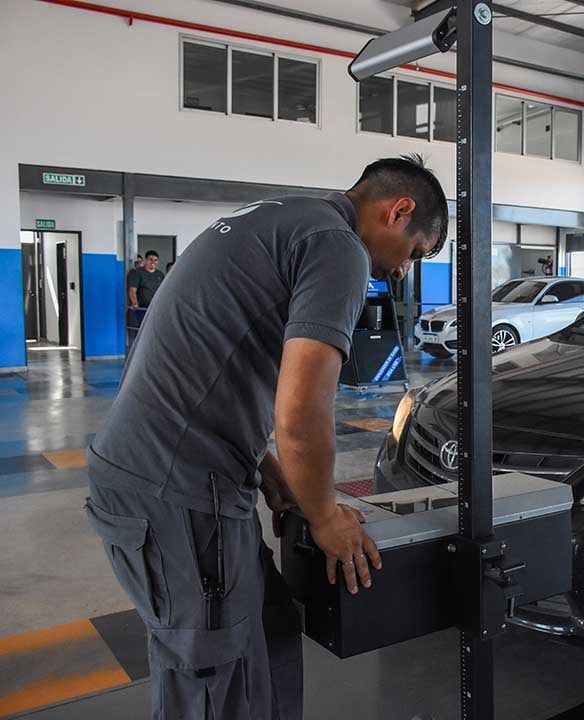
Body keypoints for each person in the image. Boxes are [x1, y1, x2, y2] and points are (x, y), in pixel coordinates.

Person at [85, 155, 448, 719]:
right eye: (417, 252)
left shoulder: (286, 216)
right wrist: (326, 517)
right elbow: (302, 411)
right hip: (176, 491)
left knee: (270, 624)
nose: (405, 271)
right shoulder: (339, 247)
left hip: (173, 474)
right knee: (211, 681)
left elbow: (210, 368)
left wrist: (270, 472)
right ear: (397, 211)